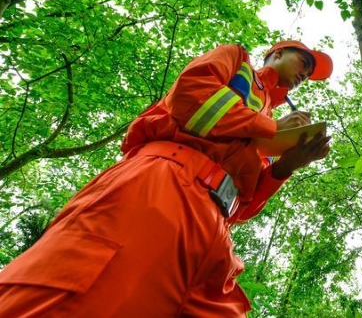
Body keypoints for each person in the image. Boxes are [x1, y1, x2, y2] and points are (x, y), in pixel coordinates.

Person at [0, 40, 334, 317]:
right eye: (302, 61)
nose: (304, 73)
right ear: (277, 53)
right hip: (163, 184)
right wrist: (271, 129)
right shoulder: (237, 61)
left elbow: (243, 206)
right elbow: (191, 97)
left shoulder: (270, 119)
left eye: (308, 73)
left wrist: (286, 166)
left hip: (217, 229)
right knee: (95, 298)